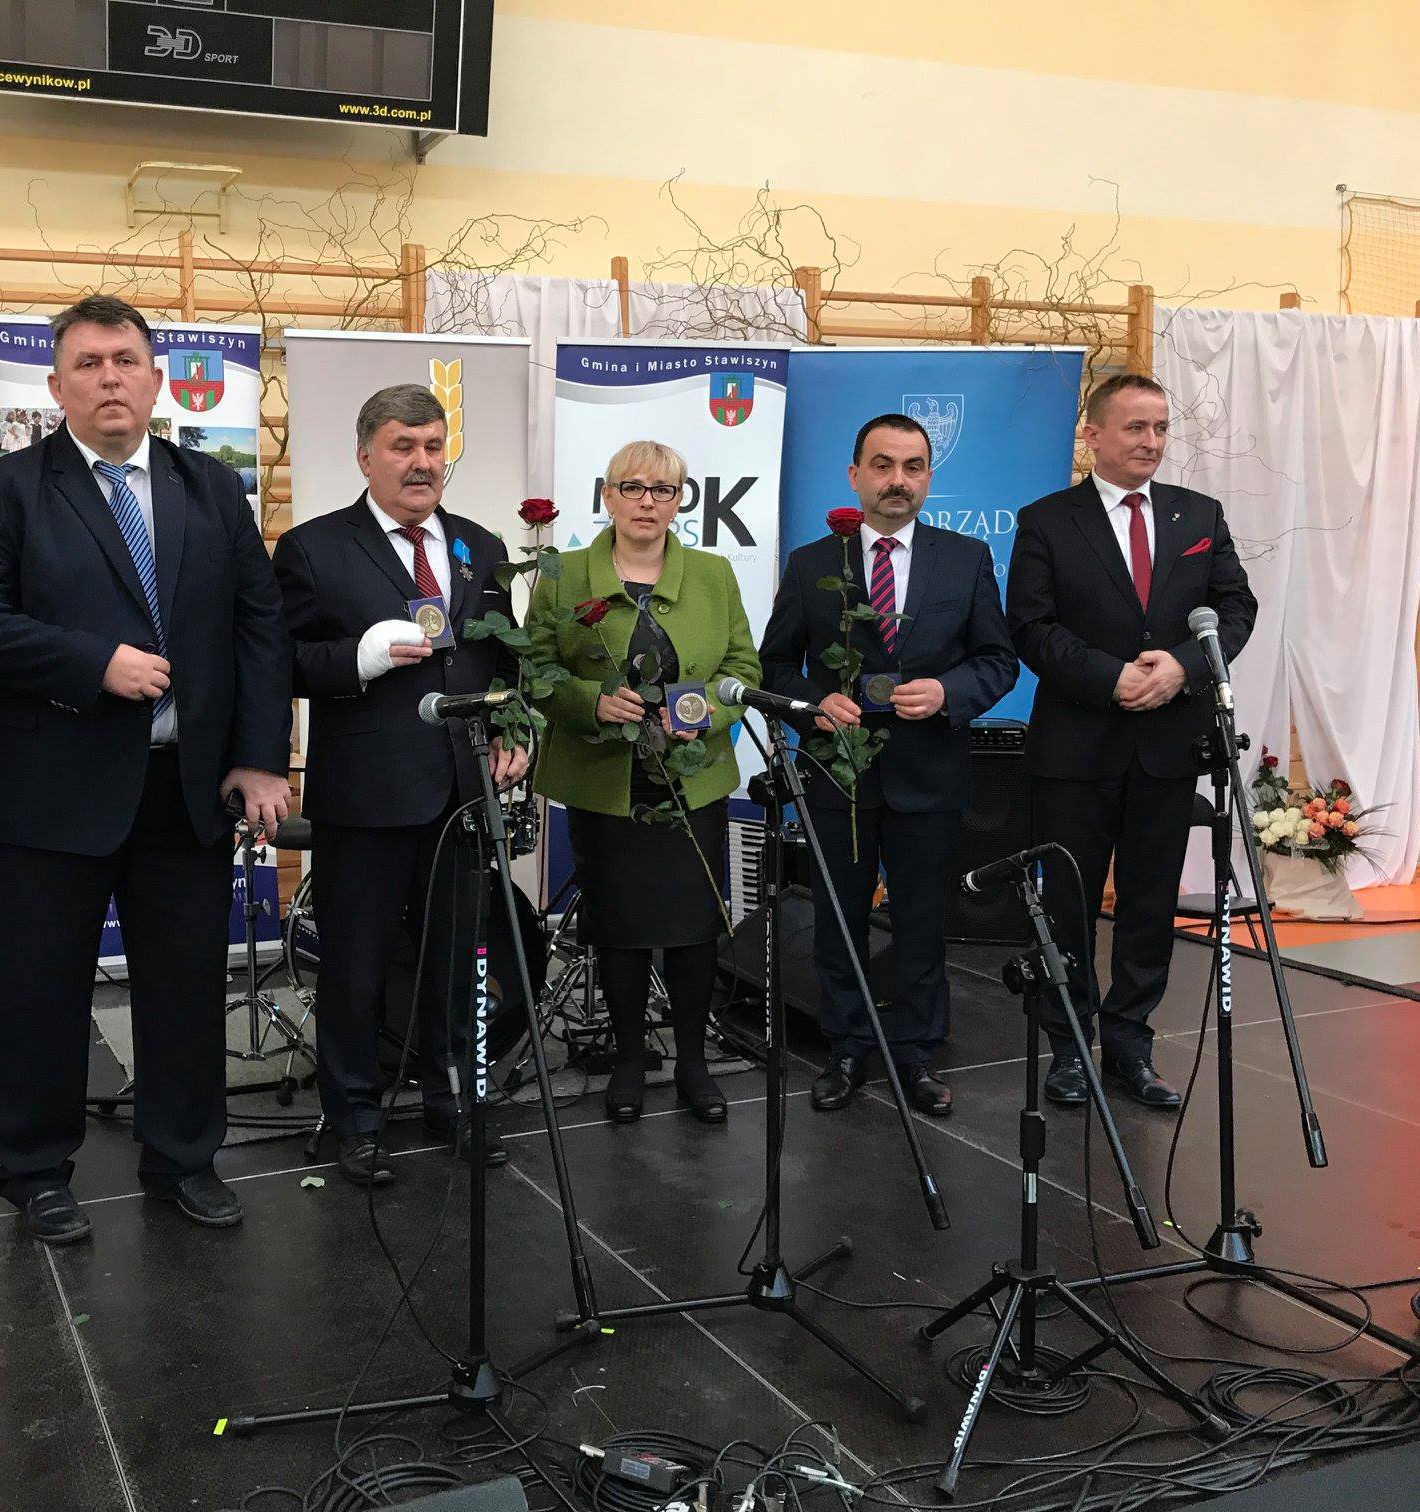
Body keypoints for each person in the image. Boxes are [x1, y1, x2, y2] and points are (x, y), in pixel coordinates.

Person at [0, 295, 290, 1242]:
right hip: (44, 793)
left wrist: (261, 757)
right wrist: (93, 663)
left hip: (185, 789)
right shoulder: (3, 491)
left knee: (185, 987)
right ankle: (35, 1171)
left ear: (155, 378)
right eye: (88, 364)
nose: (109, 379)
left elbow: (259, 627)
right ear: (56, 386)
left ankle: (183, 1158)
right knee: (39, 992)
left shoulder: (210, 487)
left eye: (125, 360)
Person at [272, 384, 527, 1185]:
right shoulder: (313, 547)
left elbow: (506, 659)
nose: (422, 463)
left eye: (433, 447)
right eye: (403, 446)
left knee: (458, 961)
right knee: (355, 966)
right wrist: (357, 658)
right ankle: (355, 1115)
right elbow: (280, 661)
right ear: (365, 456)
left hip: (461, 794)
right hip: (365, 797)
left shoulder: (481, 545)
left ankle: (455, 1100)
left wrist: (515, 730)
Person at [1008, 373, 1257, 1109]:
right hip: (1077, 749)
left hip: (1167, 747)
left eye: (1160, 428)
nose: (1152, 442)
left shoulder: (1198, 514)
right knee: (1069, 907)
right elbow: (1031, 626)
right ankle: (1069, 1047)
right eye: (1135, 427)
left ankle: (1129, 1044)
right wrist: (1111, 677)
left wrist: (1182, 666)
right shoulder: (1046, 521)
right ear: (1092, 436)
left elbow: (1236, 607)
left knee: (1149, 907)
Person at [760, 414, 1017, 1119]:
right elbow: (774, 665)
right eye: (882, 465)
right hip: (836, 775)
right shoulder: (811, 564)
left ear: (928, 477)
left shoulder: (966, 558)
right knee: (838, 919)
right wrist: (813, 703)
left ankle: (916, 1052)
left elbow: (998, 660)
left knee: (922, 921)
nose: (897, 480)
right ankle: (845, 1047)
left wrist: (947, 692)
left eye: (912, 466)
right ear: (855, 475)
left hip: (928, 772)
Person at [526, 440, 760, 1123]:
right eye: (632, 487)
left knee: (694, 929)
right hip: (605, 784)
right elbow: (534, 670)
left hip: (693, 782)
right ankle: (628, 1060)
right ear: (607, 496)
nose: (647, 502)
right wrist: (590, 701)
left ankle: (692, 1064)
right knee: (618, 929)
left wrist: (704, 712)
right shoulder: (565, 575)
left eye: (663, 490)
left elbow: (743, 667)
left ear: (680, 500)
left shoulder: (713, 574)